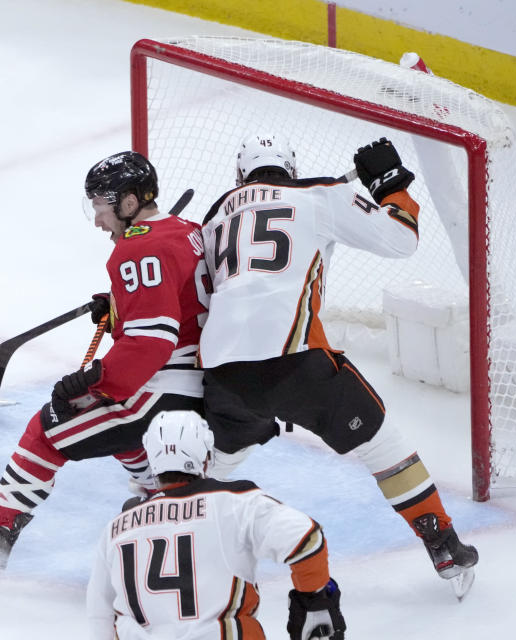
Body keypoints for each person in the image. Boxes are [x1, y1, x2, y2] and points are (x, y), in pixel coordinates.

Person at [198, 132, 478, 594]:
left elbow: (200, 299)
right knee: (385, 450)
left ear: (239, 176)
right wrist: (390, 185)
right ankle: (443, 544)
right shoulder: (321, 195)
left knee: (213, 468)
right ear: (290, 168)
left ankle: (171, 543)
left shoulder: (212, 220)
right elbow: (401, 239)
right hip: (296, 362)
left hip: (225, 371)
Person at [0, 150, 208, 592]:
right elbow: (177, 306)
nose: (97, 219)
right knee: (109, 427)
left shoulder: (139, 249)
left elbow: (151, 342)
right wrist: (119, 308)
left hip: (163, 388)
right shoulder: (185, 232)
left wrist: (98, 382)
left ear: (130, 202)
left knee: (48, 429)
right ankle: (160, 500)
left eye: (101, 206)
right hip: (197, 382)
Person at [86, 410, 346, 640]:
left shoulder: (116, 529)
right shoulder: (235, 503)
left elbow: (100, 615)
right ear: (206, 456)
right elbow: (306, 539)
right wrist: (314, 600)